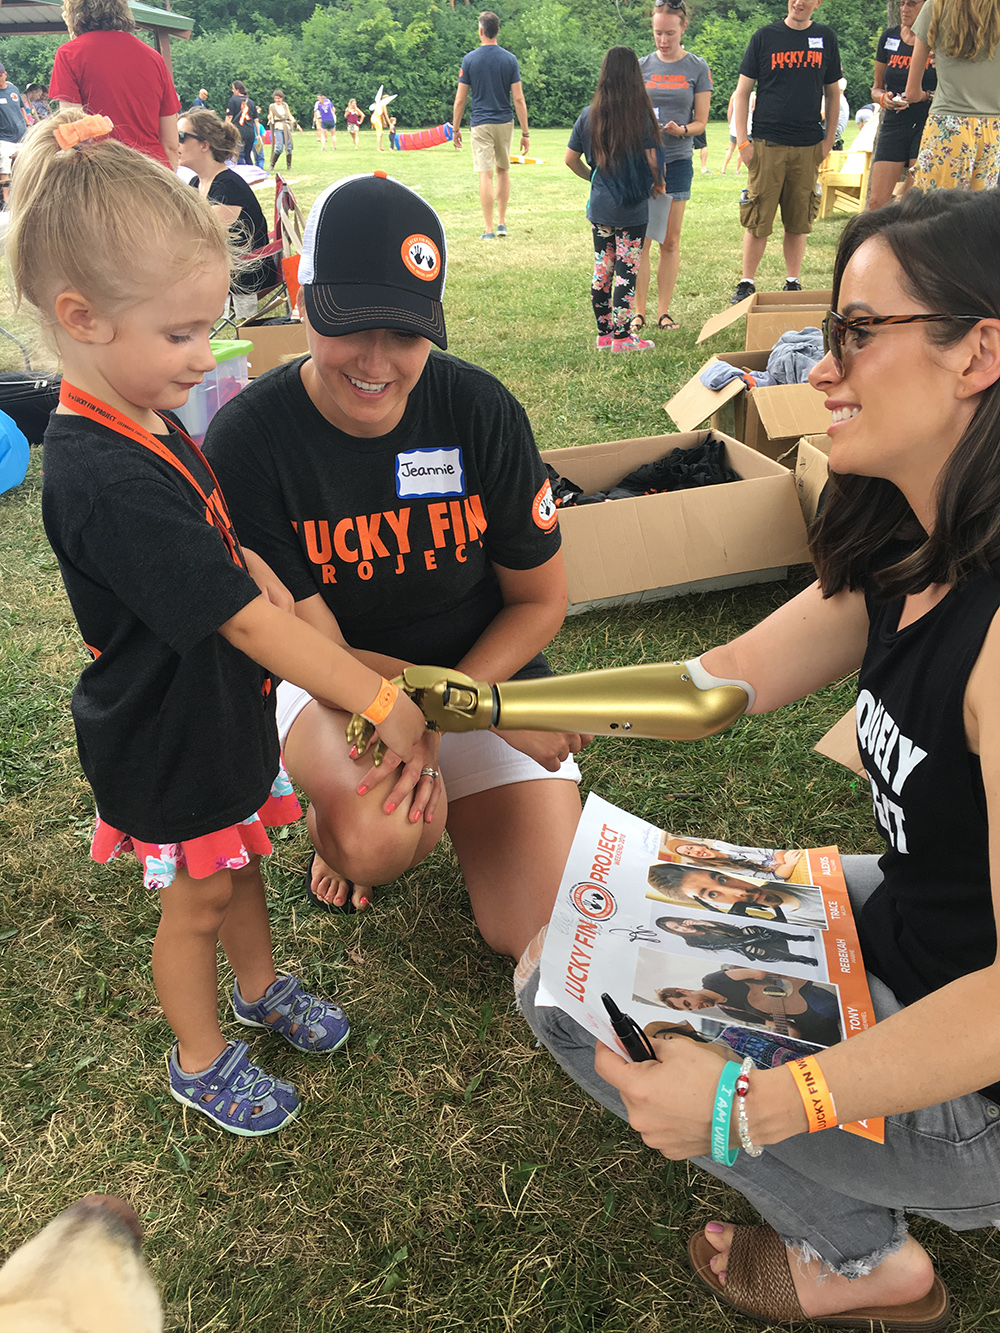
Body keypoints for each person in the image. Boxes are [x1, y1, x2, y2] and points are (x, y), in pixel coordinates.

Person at [517, 188, 1000, 1329]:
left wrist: (757, 1102)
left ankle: (861, 1265)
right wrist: (492, 705)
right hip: (928, 930)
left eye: (856, 332)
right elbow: (717, 677)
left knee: (563, 990)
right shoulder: (912, 545)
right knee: (603, 919)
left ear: (979, 350)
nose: (820, 368)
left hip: (980, 1073)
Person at [9, 111, 427, 1137]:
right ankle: (200, 1056)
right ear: (83, 317)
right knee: (194, 899)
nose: (208, 353)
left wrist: (245, 559)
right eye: (182, 332)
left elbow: (208, 537)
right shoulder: (101, 474)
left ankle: (259, 987)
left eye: (210, 325)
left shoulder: (141, 413)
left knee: (237, 862)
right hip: (166, 734)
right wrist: (373, 695)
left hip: (213, 718)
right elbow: (238, 625)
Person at [203, 172, 586, 960]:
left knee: (543, 933)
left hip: (486, 669)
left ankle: (440, 789)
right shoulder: (248, 441)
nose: (377, 362)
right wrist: (480, 710)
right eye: (351, 325)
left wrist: (469, 701)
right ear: (302, 299)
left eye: (407, 334)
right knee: (377, 837)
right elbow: (315, 649)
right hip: (338, 686)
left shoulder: (480, 410)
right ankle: (331, 826)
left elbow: (541, 600)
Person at [729, 0, 841, 304]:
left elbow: (833, 94)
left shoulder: (826, 38)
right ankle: (746, 282)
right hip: (767, 143)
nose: (799, 2)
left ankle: (792, 281)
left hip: (808, 144)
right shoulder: (765, 37)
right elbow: (742, 93)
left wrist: (828, 140)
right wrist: (743, 143)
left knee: (799, 218)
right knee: (758, 217)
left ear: (817, 3)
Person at [565, 46, 664, 353]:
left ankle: (604, 333)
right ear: (635, 75)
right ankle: (623, 338)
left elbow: (570, 159)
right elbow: (652, 160)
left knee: (603, 268)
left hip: (601, 206)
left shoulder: (589, 115)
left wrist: (593, 178)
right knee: (626, 270)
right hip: (633, 207)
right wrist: (659, 184)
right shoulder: (642, 116)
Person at [633, 0, 712, 333]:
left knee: (670, 240)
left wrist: (682, 130)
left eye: (669, 32)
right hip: (642, 162)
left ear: (683, 28)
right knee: (641, 241)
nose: (662, 40)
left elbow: (702, 123)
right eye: (657, 33)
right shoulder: (640, 66)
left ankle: (664, 312)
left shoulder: (697, 67)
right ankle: (638, 313)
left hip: (678, 159)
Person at [48, 0, 180, 169]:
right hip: (153, 170)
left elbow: (74, 130)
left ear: (73, 15)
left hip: (102, 172)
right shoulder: (154, 58)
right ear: (123, 11)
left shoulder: (69, 55)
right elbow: (171, 145)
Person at [177, 110, 281, 321]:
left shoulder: (229, 186)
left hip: (246, 269)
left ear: (204, 145)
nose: (173, 143)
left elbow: (202, 236)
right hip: (222, 265)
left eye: (180, 137)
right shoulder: (197, 183)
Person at [906, 0, 1000, 191]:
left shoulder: (936, 5)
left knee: (933, 213)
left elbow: (912, 92)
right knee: (979, 213)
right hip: (993, 129)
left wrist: (926, 95)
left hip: (947, 125)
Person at [451, 11, 530, 240]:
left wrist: (455, 129)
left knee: (485, 175)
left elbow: (460, 99)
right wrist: (525, 133)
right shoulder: (509, 60)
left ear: (480, 31)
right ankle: (502, 223)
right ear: (498, 30)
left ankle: (488, 229)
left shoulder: (470, 60)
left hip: (480, 123)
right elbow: (518, 99)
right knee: (503, 171)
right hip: (504, 121)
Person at [868, 0, 937, 210]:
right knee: (876, 202)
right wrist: (883, 98)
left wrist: (924, 96)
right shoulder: (889, 37)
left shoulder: (937, 40)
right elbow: (876, 87)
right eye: (902, 4)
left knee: (912, 200)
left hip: (926, 121)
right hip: (895, 121)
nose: (905, 9)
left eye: (912, 4)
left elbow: (950, 87)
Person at [655, 967, 841, 1045]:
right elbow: (773, 1023)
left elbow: (758, 972)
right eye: (689, 1010)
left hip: (802, 996)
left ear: (685, 991)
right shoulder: (731, 1012)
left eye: (688, 1003)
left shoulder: (713, 980)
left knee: (829, 1010)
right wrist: (791, 1037)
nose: (695, 1007)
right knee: (822, 1044)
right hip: (803, 1019)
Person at [647, 861, 805, 922]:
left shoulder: (796, 875)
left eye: (722, 879)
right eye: (712, 895)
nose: (739, 891)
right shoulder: (794, 923)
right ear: (713, 906)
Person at [657, 917, 819, 967]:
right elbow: (727, 944)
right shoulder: (692, 942)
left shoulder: (701, 924)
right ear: (675, 932)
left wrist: (707, 923)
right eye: (677, 929)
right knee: (752, 947)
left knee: (753, 928)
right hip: (742, 945)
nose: (682, 928)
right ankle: (802, 960)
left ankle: (798, 938)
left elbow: (733, 931)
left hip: (743, 934)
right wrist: (755, 939)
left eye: (679, 924)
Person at [661, 836, 802, 879]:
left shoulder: (721, 845)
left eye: (691, 848)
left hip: (790, 860)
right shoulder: (723, 869)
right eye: (688, 854)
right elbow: (773, 877)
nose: (695, 853)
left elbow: (770, 850)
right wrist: (787, 865)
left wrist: (782, 860)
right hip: (790, 873)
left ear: (696, 844)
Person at [0, 63, 31, 202]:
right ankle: (6, 199)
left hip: (21, 134)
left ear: (5, 75)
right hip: (4, 137)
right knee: (5, 167)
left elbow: (21, 107)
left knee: (24, 164)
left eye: (0, 75)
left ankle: (24, 194)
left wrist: (28, 123)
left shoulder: (13, 89)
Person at [224, 80, 258, 167]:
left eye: (233, 89)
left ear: (237, 90)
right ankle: (251, 175)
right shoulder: (251, 102)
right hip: (250, 132)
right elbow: (256, 120)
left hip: (238, 131)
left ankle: (242, 176)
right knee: (248, 156)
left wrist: (225, 130)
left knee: (239, 155)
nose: (232, 91)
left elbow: (229, 117)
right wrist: (258, 134)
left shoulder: (233, 100)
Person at [721, 87, 753, 174]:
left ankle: (724, 168)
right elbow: (753, 110)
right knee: (742, 146)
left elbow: (729, 110)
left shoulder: (734, 94)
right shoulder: (752, 95)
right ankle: (737, 169)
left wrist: (730, 123)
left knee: (731, 147)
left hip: (734, 124)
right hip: (746, 125)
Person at [267, 89, 299, 172]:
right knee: (279, 147)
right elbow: (271, 115)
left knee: (289, 147)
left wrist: (296, 124)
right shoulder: (272, 106)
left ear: (282, 98)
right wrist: (270, 118)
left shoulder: (285, 105)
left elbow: (289, 115)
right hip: (278, 127)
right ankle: (272, 164)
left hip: (286, 127)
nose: (277, 100)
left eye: (279, 98)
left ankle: (289, 165)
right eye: (276, 98)